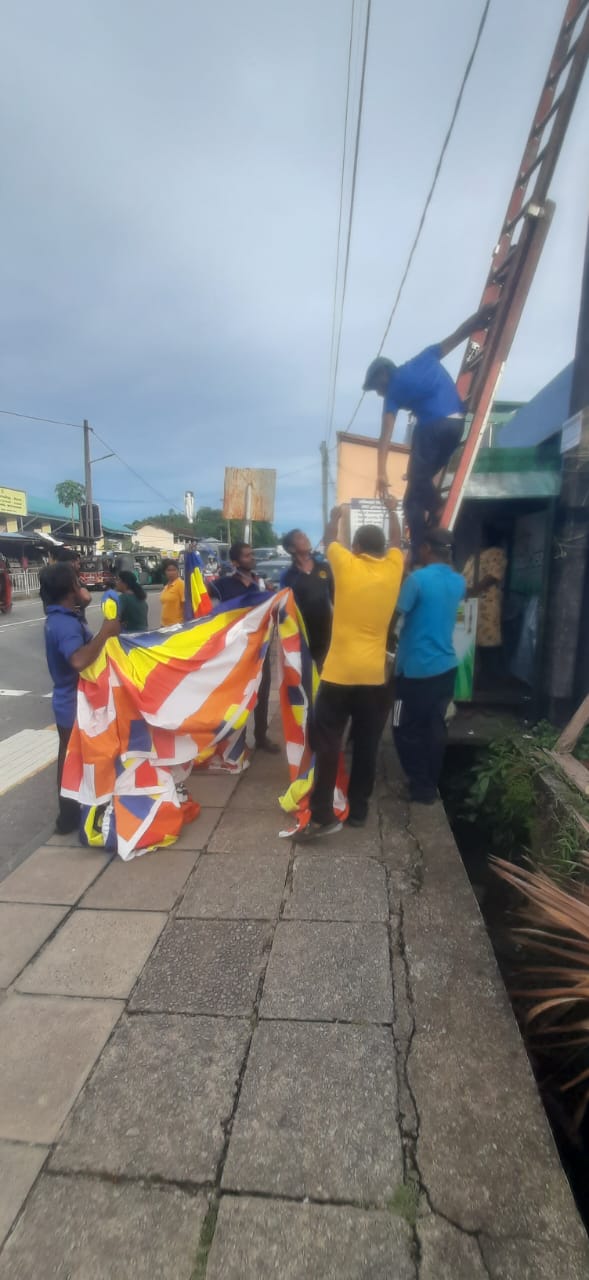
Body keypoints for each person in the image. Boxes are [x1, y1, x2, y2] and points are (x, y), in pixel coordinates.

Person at [296, 501, 404, 841]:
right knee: (368, 745)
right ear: (383, 550)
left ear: (355, 547)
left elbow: (330, 539)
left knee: (328, 743)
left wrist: (335, 518)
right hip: (375, 678)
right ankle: (359, 811)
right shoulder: (394, 567)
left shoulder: (345, 564)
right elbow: (398, 541)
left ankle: (323, 814)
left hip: (338, 675)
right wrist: (392, 512)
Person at [363, 303, 495, 555]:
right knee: (414, 493)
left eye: (376, 387)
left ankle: (424, 535)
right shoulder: (424, 357)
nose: (379, 393)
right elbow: (458, 335)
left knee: (415, 489)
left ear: (383, 375)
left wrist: (381, 472)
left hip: (433, 428)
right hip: (457, 426)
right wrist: (479, 318)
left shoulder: (392, 393)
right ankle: (429, 529)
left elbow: (385, 437)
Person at [44, 562, 120, 834]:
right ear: (69, 588)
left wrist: (83, 606)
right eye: (77, 581)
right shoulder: (65, 624)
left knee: (69, 758)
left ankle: (69, 817)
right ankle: (69, 818)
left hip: (69, 701)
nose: (82, 585)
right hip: (74, 703)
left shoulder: (63, 616)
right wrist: (106, 632)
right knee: (72, 760)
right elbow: (78, 659)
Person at [392, 527, 466, 804]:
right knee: (435, 727)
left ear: (425, 549)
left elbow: (395, 616)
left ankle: (419, 786)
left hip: (415, 670)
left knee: (402, 727)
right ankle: (429, 784)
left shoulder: (417, 580)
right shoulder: (458, 581)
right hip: (446, 667)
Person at [212, 542, 278, 753]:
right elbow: (200, 601)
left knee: (262, 692)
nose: (252, 558)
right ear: (235, 562)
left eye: (252, 554)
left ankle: (261, 737)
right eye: (247, 555)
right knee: (236, 696)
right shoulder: (222, 585)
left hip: (260, 648)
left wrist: (272, 597)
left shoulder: (261, 584)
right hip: (235, 649)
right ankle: (234, 740)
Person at [280, 529, 334, 671]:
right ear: (292, 549)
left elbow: (336, 598)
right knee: (308, 675)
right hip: (303, 636)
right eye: (300, 537)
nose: (306, 538)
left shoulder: (325, 568)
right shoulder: (288, 576)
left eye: (305, 535)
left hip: (327, 633)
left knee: (326, 673)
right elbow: (284, 607)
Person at [463, 526, 508, 686]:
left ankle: (490, 680)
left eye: (483, 535)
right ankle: (475, 679)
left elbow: (493, 576)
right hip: (470, 602)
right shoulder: (475, 554)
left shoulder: (497, 553)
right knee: (472, 641)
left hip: (486, 603)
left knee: (488, 642)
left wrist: (473, 590)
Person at [160, 560, 185, 626]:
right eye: (168, 570)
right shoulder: (166, 587)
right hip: (164, 625)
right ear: (165, 572)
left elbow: (185, 606)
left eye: (174, 570)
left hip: (177, 625)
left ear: (178, 571)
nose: (171, 573)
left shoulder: (181, 584)